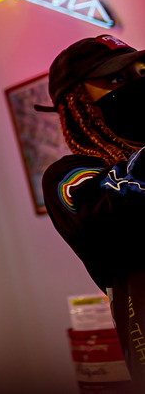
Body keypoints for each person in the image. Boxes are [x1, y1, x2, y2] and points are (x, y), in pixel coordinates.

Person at [42, 34, 145, 384]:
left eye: (141, 73)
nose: (136, 85)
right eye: (116, 79)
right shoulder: (68, 176)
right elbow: (115, 215)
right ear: (77, 103)